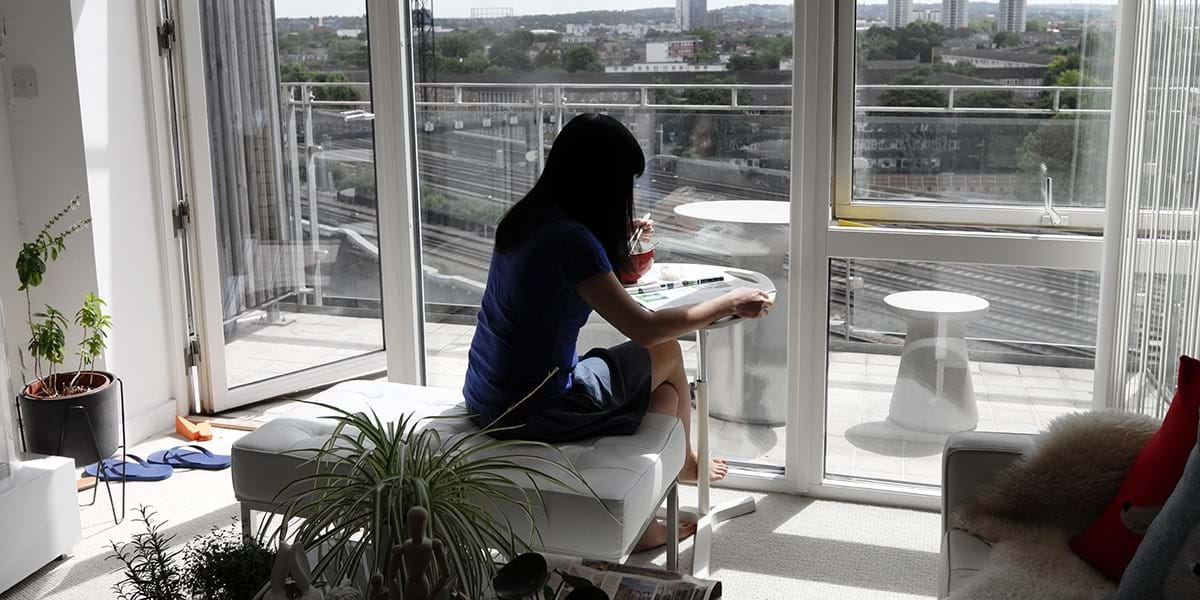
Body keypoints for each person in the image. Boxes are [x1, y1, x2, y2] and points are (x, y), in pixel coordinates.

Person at [462, 113, 773, 551]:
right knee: (666, 352)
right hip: (534, 407)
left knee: (665, 396)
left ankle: (652, 505)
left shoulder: (526, 219)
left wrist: (614, 242)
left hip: (487, 395)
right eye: (624, 180)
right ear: (601, 179)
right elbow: (643, 328)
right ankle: (682, 466)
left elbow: (601, 282)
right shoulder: (573, 241)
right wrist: (727, 303)